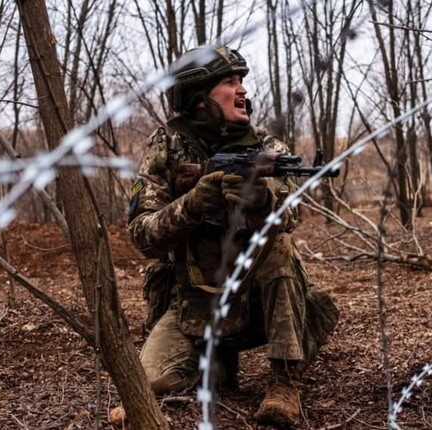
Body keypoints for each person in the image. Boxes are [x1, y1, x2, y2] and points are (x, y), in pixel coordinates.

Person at [127, 44, 339, 428]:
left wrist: (262, 203)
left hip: (256, 300)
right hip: (193, 302)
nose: (242, 89)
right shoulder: (167, 147)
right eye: (228, 81)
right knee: (157, 380)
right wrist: (192, 204)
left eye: (242, 80)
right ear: (199, 98)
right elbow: (142, 235)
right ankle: (218, 359)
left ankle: (285, 383)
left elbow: (291, 216)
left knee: (280, 244)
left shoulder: (267, 147)